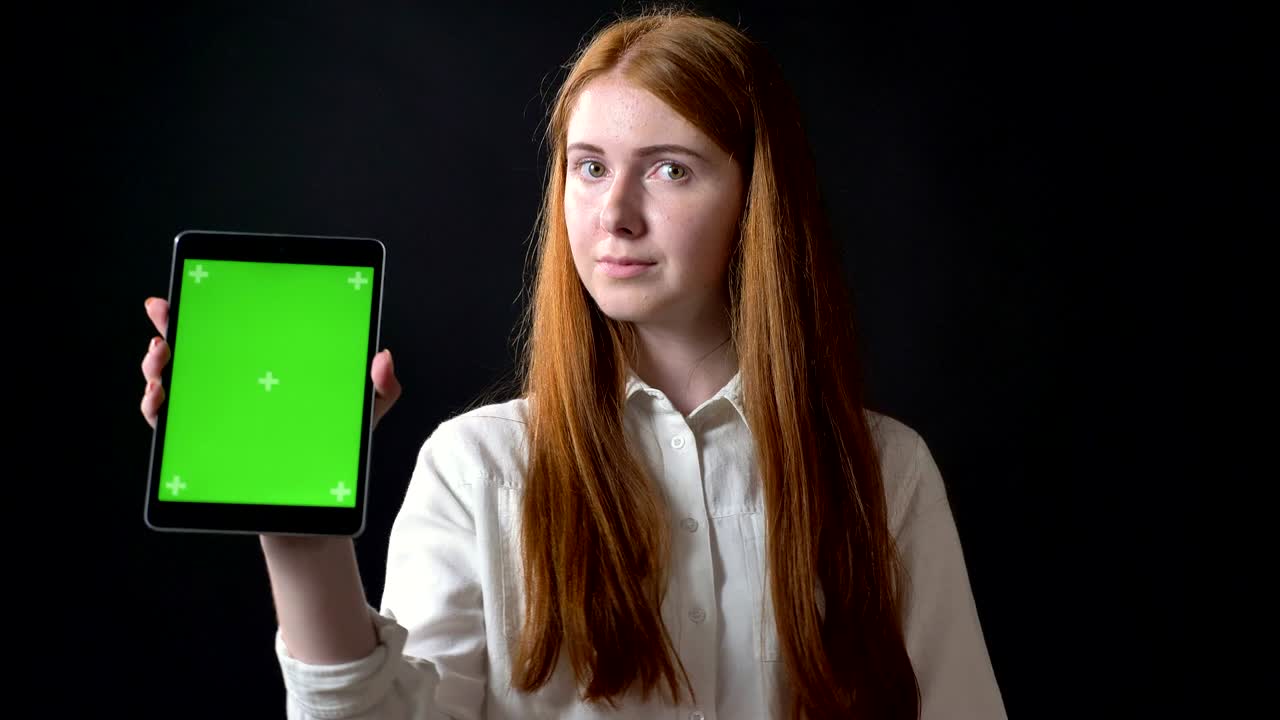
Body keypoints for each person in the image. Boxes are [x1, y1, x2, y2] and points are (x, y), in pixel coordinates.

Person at [139, 6, 1006, 719]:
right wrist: (301, 541)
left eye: (670, 169)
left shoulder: (885, 474)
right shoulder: (477, 468)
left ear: (757, 199)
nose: (615, 214)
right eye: (589, 168)